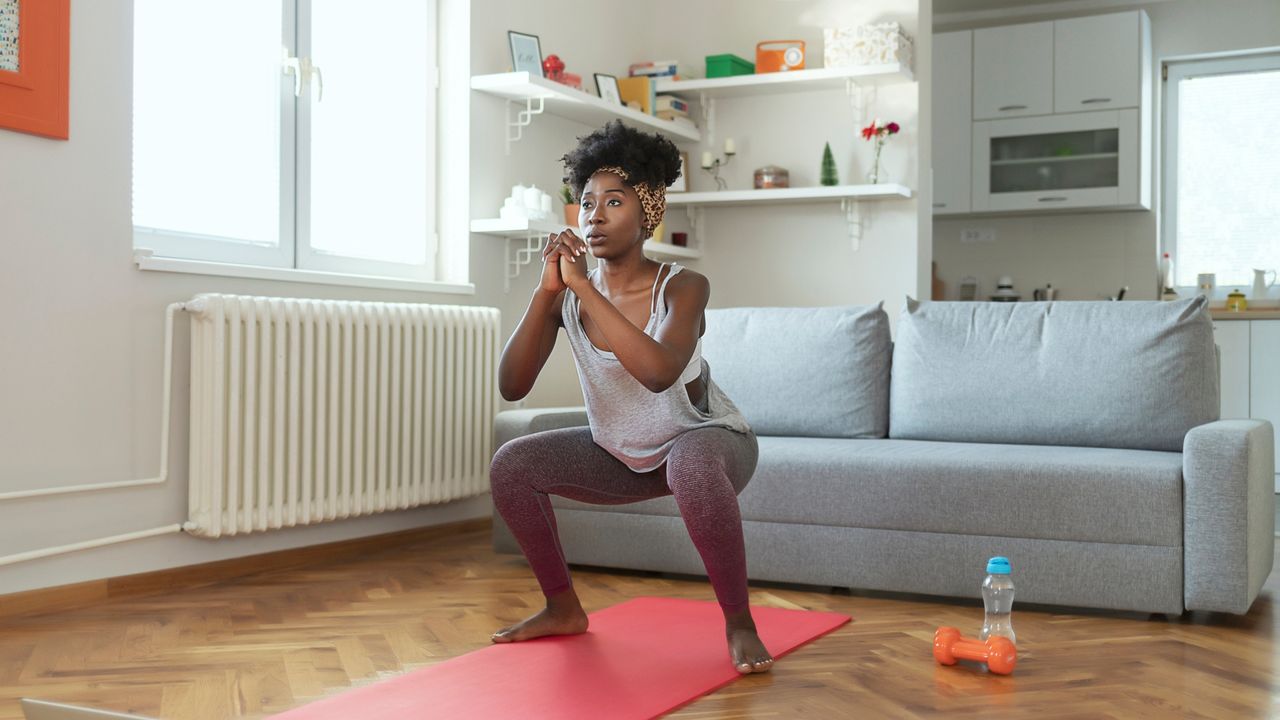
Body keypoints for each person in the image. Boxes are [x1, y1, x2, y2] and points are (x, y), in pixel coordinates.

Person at [488, 119, 773, 674]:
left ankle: (739, 621)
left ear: (648, 213)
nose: (593, 214)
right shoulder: (567, 293)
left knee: (690, 467)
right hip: (623, 453)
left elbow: (660, 372)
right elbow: (512, 385)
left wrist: (584, 288)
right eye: (586, 202)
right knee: (511, 465)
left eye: (613, 202)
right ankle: (562, 607)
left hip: (706, 443)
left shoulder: (683, 286)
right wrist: (548, 292)